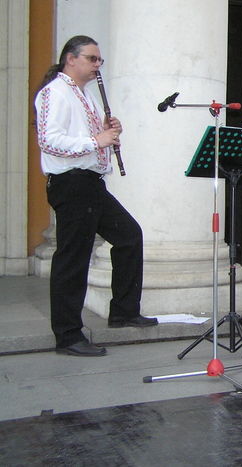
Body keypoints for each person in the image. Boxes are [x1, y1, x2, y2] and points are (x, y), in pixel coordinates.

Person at [35, 35, 157, 357]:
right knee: (73, 257)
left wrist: (109, 134)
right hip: (71, 184)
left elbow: (91, 140)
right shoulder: (55, 92)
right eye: (92, 58)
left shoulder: (85, 96)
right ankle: (68, 336)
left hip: (90, 184)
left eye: (99, 60)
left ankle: (123, 310)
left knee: (129, 236)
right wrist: (96, 140)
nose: (97, 65)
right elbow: (49, 141)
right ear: (70, 59)